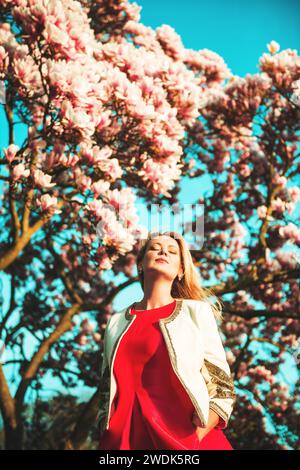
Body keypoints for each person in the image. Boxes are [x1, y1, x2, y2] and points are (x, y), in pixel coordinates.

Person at [97, 231, 236, 450]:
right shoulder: (116, 321)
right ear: (141, 264)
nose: (163, 251)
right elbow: (106, 388)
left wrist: (197, 434)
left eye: (172, 251)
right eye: (154, 248)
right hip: (124, 442)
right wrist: (106, 428)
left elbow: (222, 386)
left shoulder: (196, 312)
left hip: (187, 441)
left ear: (181, 270)